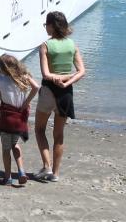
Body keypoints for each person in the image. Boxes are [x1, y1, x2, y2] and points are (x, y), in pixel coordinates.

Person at [33, 11, 86, 182]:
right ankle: (55, 174)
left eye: (46, 24)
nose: (45, 27)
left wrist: (58, 78)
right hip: (66, 94)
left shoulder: (45, 46)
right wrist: (67, 81)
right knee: (59, 134)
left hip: (49, 91)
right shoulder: (73, 45)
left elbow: (46, 74)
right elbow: (82, 71)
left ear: (51, 26)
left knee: (39, 129)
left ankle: (46, 166)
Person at [0, 54, 39, 186]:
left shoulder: (1, 79)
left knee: (5, 149)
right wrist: (26, 103)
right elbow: (36, 87)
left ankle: (8, 177)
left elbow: (1, 96)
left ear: (4, 68)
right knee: (15, 144)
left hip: (7, 118)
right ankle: (21, 172)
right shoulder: (24, 78)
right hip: (19, 118)